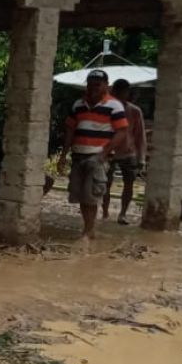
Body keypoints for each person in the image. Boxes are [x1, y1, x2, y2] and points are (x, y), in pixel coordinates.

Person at [57, 69, 130, 239]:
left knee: (91, 194)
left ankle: (89, 230)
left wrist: (104, 153)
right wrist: (63, 155)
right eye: (91, 84)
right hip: (78, 154)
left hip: (97, 156)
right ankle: (88, 229)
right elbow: (70, 130)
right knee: (80, 194)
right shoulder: (78, 105)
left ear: (106, 85)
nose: (94, 87)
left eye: (98, 84)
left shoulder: (114, 105)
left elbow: (122, 131)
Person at [102, 79, 146, 225]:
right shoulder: (106, 108)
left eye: (123, 92)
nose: (120, 95)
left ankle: (122, 214)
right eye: (117, 92)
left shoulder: (134, 111)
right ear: (113, 92)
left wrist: (141, 159)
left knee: (129, 184)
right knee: (104, 184)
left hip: (128, 152)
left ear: (127, 93)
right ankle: (105, 212)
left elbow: (140, 136)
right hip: (108, 151)